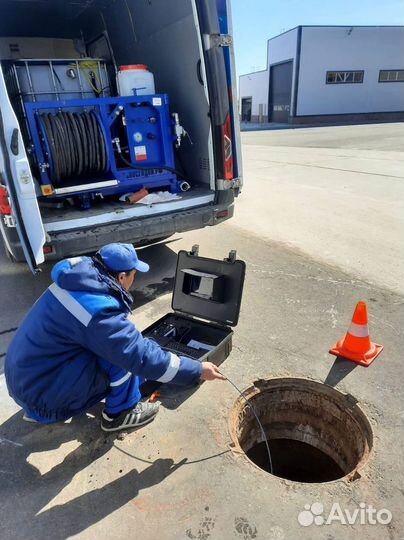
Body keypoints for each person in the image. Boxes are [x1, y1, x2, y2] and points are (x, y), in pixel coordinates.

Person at [5, 243, 225, 432]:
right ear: (122, 277)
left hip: (25, 380)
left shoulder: (76, 281)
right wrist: (196, 370)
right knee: (123, 358)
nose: (133, 278)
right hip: (44, 399)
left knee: (122, 349)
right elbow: (138, 357)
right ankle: (120, 415)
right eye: (133, 274)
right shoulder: (97, 311)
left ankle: (45, 401)